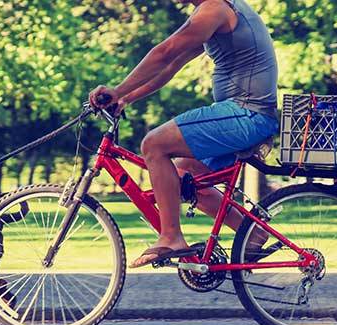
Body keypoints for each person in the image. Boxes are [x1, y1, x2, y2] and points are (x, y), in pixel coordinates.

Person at [89, 0, 279, 268]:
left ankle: (171, 237)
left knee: (154, 144)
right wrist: (126, 98)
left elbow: (164, 52)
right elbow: (171, 65)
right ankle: (253, 235)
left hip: (246, 115)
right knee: (182, 177)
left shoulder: (214, 9)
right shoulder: (212, 12)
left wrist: (117, 89)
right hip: (245, 115)